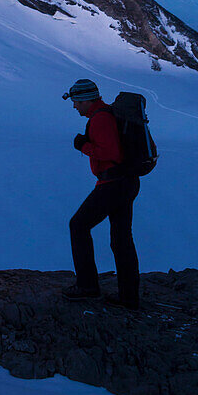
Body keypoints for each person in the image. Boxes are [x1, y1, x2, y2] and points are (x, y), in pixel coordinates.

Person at [61, 79, 141, 310]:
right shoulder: (105, 115)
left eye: (76, 101)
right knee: (121, 239)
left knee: (78, 225)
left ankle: (87, 286)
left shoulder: (101, 119)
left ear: (86, 99)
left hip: (113, 184)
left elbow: (111, 153)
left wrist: (83, 145)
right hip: (125, 182)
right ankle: (129, 296)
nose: (75, 106)